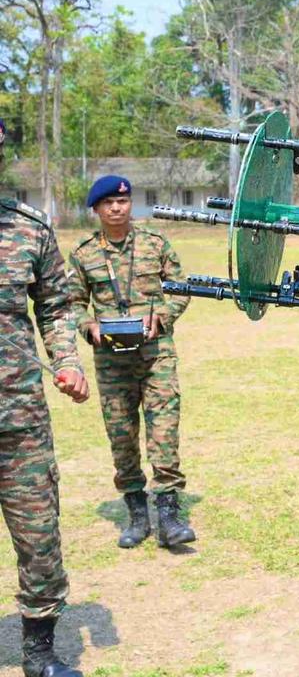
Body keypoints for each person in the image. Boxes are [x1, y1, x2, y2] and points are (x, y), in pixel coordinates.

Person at [66, 176, 194, 549]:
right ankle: (137, 514)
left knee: (164, 433)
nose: (116, 208)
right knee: (122, 438)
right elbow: (73, 302)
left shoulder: (156, 244)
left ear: (130, 204)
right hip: (111, 360)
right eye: (108, 203)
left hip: (156, 356)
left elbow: (180, 288)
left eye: (122, 201)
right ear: (97, 210)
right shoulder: (84, 253)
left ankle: (169, 515)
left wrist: (164, 316)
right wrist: (87, 325)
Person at [0, 194, 91, 677]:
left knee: (39, 539)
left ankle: (39, 653)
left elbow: (56, 306)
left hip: (19, 419)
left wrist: (67, 361)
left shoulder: (28, 227)